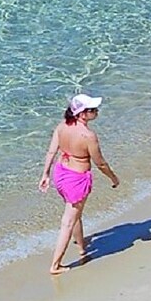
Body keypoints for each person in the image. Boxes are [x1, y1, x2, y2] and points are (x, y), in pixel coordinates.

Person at [39, 94, 119, 275]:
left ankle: (82, 247)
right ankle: (55, 265)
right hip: (77, 180)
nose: (96, 111)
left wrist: (45, 174)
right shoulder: (88, 136)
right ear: (82, 114)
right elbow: (101, 163)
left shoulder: (62, 127)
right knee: (67, 222)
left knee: (75, 214)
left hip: (61, 174)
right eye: (93, 109)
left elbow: (52, 151)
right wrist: (113, 178)